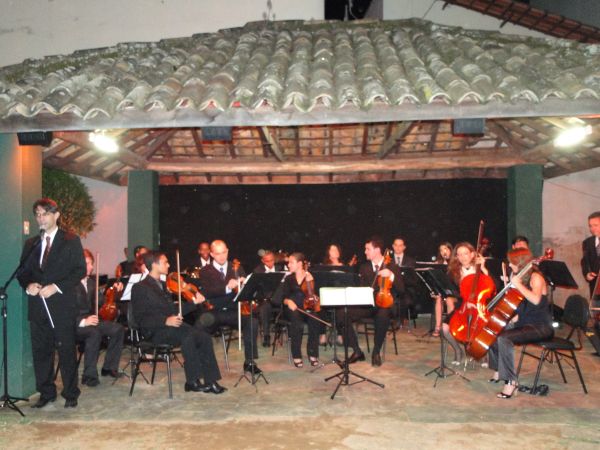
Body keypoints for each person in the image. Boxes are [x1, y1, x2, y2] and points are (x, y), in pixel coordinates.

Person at [17, 198, 86, 408]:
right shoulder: (31, 243)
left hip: (62, 306)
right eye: (37, 214)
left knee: (66, 351)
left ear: (56, 215)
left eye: (45, 214)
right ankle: (46, 392)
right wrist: (28, 285)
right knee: (41, 351)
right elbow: (23, 273)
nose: (40, 218)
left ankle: (71, 393)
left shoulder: (70, 240)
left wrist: (56, 287)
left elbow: (80, 270)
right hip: (38, 307)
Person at [131, 251, 225, 394]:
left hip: (171, 327)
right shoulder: (140, 287)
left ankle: (211, 380)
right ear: (154, 265)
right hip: (154, 331)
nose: (169, 265)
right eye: (165, 262)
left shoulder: (164, 285)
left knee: (204, 336)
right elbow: (141, 318)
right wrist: (165, 320)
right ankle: (192, 381)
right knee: (188, 336)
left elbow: (173, 310)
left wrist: (194, 302)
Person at [488, 248, 554, 398]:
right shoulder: (521, 277)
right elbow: (523, 305)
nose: (510, 265)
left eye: (512, 263)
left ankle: (511, 382)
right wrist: (514, 316)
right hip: (525, 322)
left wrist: (517, 285)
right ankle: (499, 369)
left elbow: (535, 300)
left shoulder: (536, 277)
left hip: (541, 327)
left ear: (521, 263)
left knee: (504, 338)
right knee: (493, 331)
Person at [196, 240, 262, 374]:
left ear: (227, 251)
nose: (221, 256)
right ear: (212, 254)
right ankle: (203, 364)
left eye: (224, 253)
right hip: (214, 311)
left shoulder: (236, 267)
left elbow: (246, 293)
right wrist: (227, 287)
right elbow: (208, 292)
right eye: (218, 254)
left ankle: (249, 362)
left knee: (252, 322)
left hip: (233, 310)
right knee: (199, 327)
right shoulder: (205, 271)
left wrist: (244, 285)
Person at [338, 237, 404, 367]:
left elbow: (401, 290)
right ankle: (357, 351)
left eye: (368, 249)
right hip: (368, 305)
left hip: (386, 305)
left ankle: (376, 351)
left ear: (377, 250)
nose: (365, 252)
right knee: (341, 313)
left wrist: (391, 275)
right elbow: (362, 289)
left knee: (383, 314)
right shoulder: (364, 267)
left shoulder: (392, 266)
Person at [76, 249, 126, 387]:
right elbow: (65, 311)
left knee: (118, 329)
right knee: (94, 333)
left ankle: (109, 367)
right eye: (87, 263)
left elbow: (102, 302)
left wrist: (114, 291)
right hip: (75, 324)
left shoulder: (91, 282)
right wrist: (83, 321)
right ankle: (89, 375)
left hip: (91, 321)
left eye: (91, 263)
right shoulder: (69, 284)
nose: (91, 267)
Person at [437, 242, 489, 364]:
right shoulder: (453, 272)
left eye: (465, 253)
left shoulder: (479, 269)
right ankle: (458, 350)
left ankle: (482, 352)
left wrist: (483, 269)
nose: (462, 257)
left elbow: (493, 287)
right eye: (459, 254)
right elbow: (452, 292)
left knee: (482, 327)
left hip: (479, 307)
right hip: (462, 307)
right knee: (444, 328)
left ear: (472, 254)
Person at [280, 253, 325, 367]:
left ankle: (312, 353)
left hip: (307, 308)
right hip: (292, 309)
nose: (288, 265)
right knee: (296, 320)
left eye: (291, 262)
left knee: (315, 319)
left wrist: (311, 284)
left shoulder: (311, 277)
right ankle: (296, 355)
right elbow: (282, 298)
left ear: (300, 264)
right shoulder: (289, 279)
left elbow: (316, 297)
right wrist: (288, 301)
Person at [253, 250, 285, 347]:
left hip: (280, 299)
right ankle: (266, 335)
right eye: (267, 261)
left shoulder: (280, 268)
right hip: (266, 300)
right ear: (263, 261)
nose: (270, 263)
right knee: (264, 308)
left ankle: (288, 332)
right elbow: (257, 290)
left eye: (272, 260)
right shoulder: (258, 271)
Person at [581, 211, 600, 297]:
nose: (592, 228)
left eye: (596, 225)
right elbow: (584, 262)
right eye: (590, 226)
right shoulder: (587, 242)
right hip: (595, 287)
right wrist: (587, 274)